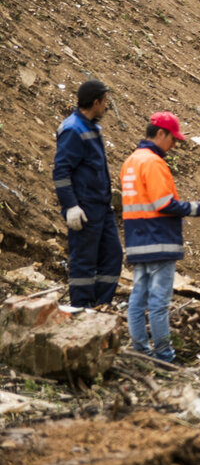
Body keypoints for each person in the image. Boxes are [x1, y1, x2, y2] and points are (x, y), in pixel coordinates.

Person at [122, 112, 200, 363]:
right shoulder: (153, 162)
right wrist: (197, 208)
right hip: (159, 240)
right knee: (159, 303)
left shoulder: (131, 161)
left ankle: (141, 351)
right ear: (160, 134)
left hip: (137, 241)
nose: (174, 146)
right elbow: (164, 203)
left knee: (138, 300)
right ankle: (164, 356)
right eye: (173, 140)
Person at [53, 79, 122, 308]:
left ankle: (101, 306)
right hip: (85, 208)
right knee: (83, 262)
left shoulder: (91, 126)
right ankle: (81, 311)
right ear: (95, 102)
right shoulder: (73, 129)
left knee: (112, 256)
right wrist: (71, 205)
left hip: (101, 208)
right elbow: (61, 170)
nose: (106, 107)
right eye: (104, 102)